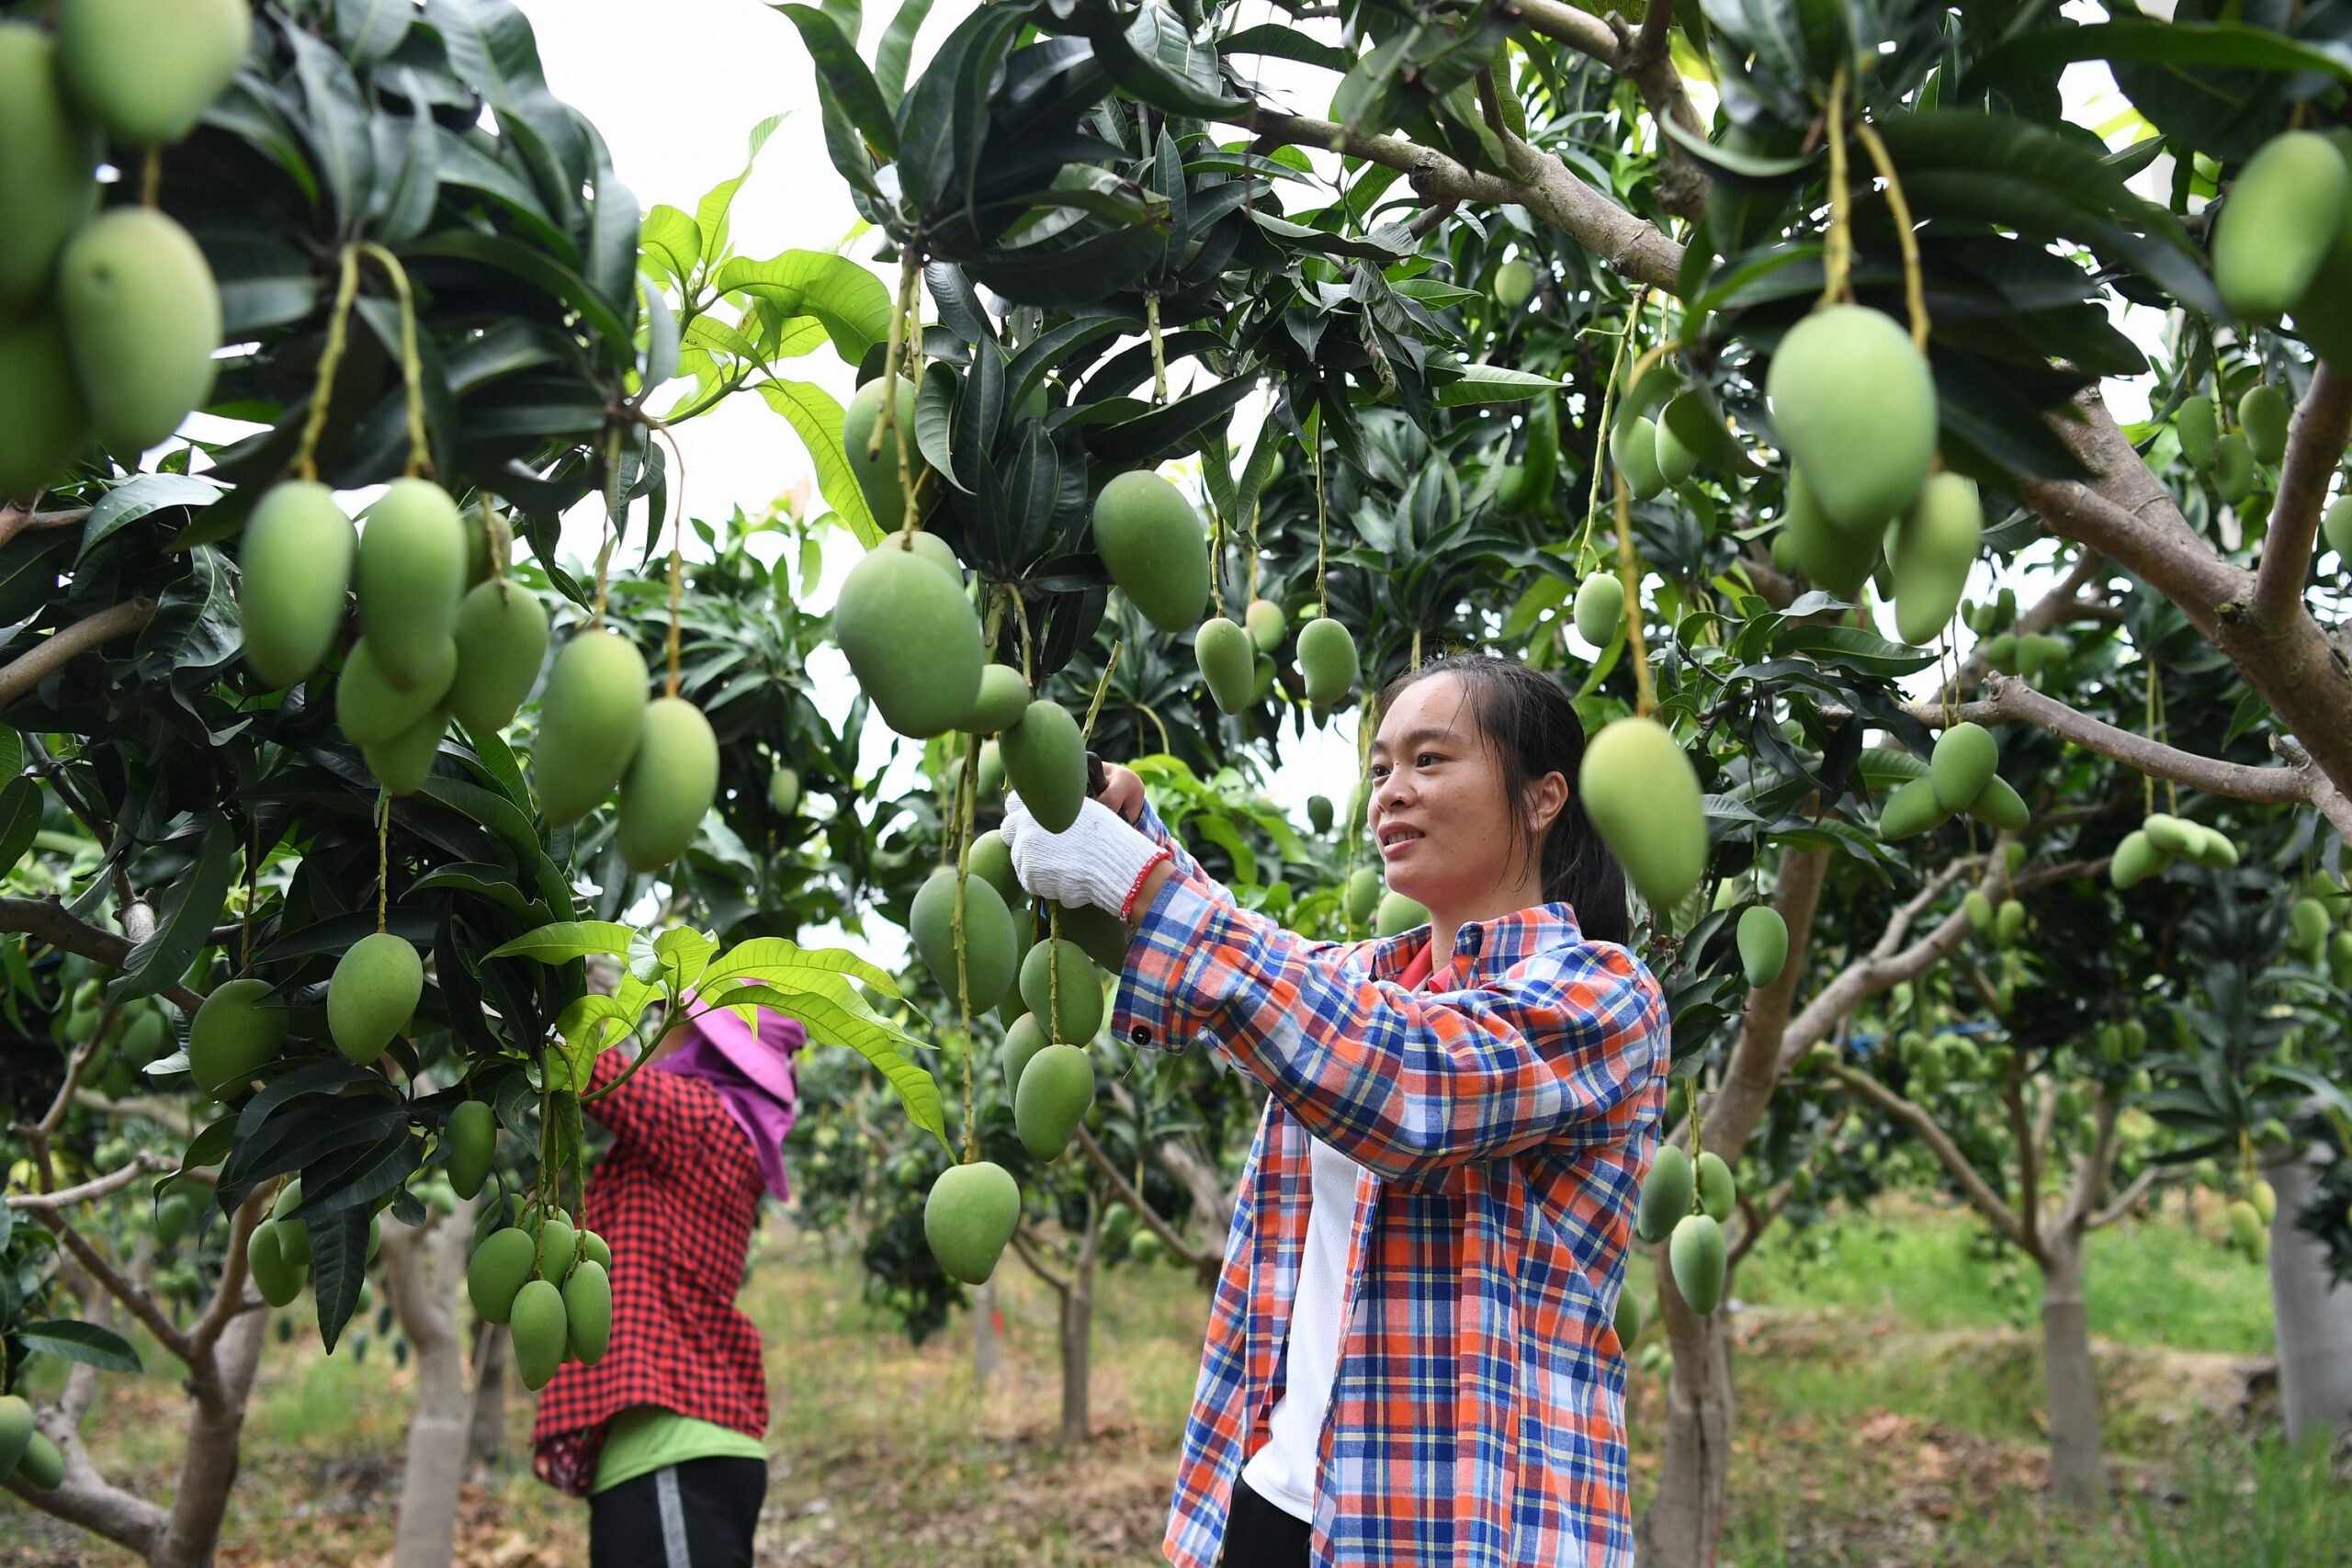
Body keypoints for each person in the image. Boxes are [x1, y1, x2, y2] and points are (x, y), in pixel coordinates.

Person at [998, 652, 1668, 1568]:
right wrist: (1127, 823)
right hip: (1276, 1504)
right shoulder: (1358, 982)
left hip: (1463, 1534)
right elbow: (1267, 982)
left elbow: (1407, 1086)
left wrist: (1142, 883)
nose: (1391, 791)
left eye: (1430, 761)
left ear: (1542, 798)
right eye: (1380, 767)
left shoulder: (1603, 996)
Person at [530, 996, 804, 1568]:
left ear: (716, 1044)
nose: (656, 1032)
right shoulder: (706, 1136)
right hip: (657, 1457)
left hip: (672, 1454)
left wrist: (541, 994)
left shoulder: (705, 1119)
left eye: (672, 1020)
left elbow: (590, 1068)